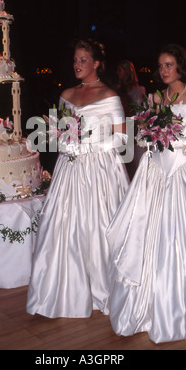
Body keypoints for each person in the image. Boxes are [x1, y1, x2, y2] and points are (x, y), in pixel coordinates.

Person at [107, 43, 186, 343]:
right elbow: (141, 136)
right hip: (154, 175)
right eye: (160, 65)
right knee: (146, 235)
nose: (163, 71)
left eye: (169, 65)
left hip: (185, 174)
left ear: (181, 66)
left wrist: (182, 143)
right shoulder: (154, 98)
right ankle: (148, 307)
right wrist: (148, 135)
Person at [27, 38, 130, 318]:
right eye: (75, 59)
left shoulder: (110, 95)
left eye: (83, 59)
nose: (77, 64)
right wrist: (60, 139)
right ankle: (65, 289)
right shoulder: (66, 94)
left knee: (98, 224)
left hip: (100, 168)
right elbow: (57, 131)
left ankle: (104, 287)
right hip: (70, 167)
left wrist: (90, 145)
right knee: (64, 226)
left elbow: (122, 137)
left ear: (97, 63)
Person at [115, 59, 146, 179]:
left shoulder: (139, 90)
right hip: (120, 131)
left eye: (120, 70)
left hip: (133, 131)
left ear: (128, 71)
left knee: (136, 168)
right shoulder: (117, 90)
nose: (117, 73)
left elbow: (140, 113)